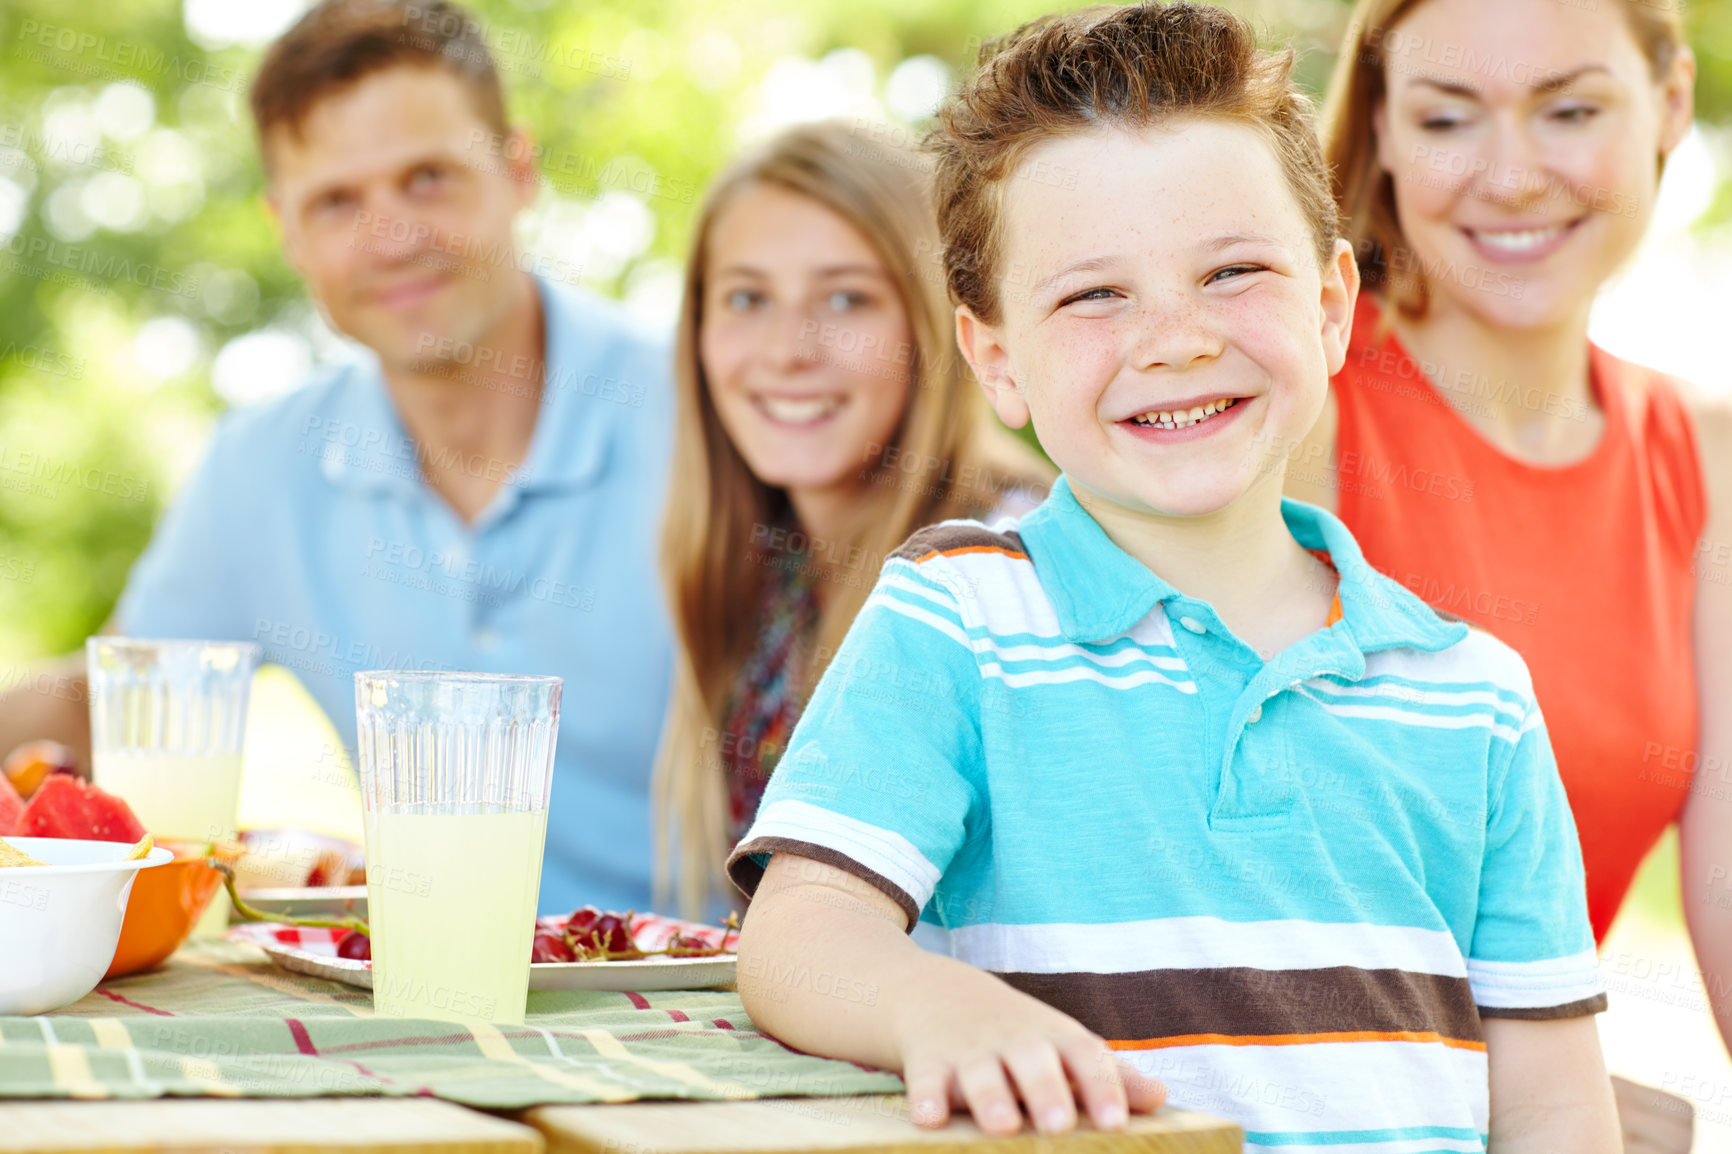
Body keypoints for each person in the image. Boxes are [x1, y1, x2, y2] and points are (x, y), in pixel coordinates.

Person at [725, 4, 1619, 1148]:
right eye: (1094, 294)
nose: (1176, 339)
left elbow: (1550, 1102)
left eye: (1233, 271)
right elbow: (798, 934)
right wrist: (935, 1006)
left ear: (1332, 304)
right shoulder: (960, 620)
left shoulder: (1474, 693)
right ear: (995, 357)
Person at [0, 0, 674, 914]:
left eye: (429, 178)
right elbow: (111, 699)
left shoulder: (708, 416)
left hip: (721, 999)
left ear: (518, 172)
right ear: (286, 228)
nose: (392, 239)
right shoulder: (261, 465)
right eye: (338, 201)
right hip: (418, 994)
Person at [1309, 0, 1730, 1140]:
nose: (1510, 175)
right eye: (1449, 119)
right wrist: (1511, 1087)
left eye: (1569, 110)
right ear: (1385, 131)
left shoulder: (1707, 455)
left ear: (1670, 104)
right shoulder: (1292, 413)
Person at [653, 122, 1050, 919]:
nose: (788, 350)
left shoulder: (1016, 567)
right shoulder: (764, 568)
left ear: (937, 326)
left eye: (845, 298)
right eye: (746, 298)